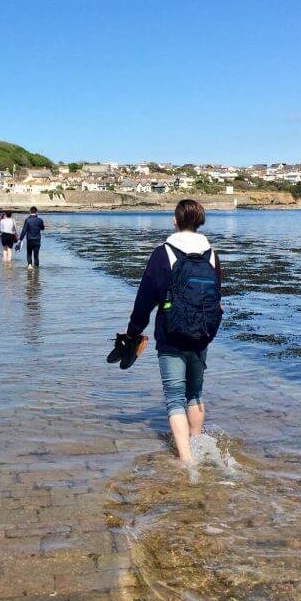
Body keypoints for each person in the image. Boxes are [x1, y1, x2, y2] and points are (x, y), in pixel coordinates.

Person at [125, 199, 222, 464]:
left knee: (175, 398)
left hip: (171, 335)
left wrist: (133, 331)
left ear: (175, 221)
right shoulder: (211, 254)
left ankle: (187, 461)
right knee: (196, 393)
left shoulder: (162, 253)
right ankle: (197, 442)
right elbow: (216, 295)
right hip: (202, 334)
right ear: (200, 222)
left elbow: (145, 299)